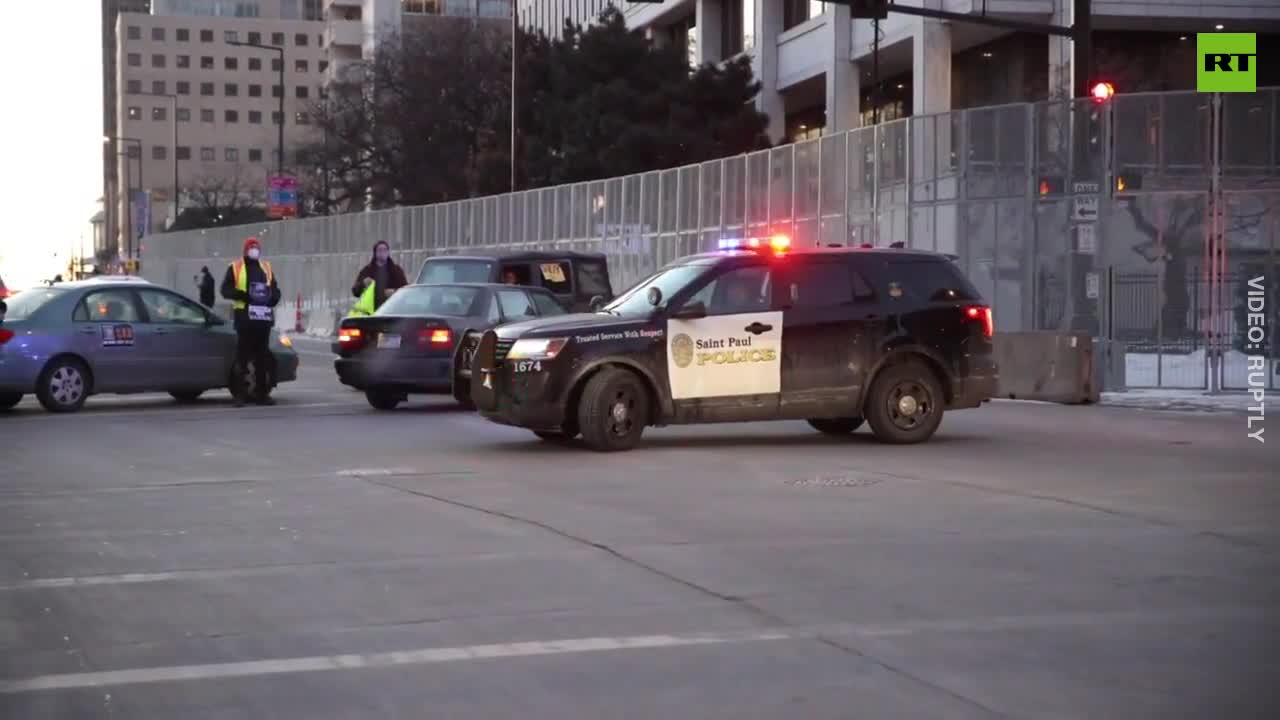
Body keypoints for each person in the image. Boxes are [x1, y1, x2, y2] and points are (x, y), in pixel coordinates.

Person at [220, 236, 281, 407]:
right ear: (245, 250)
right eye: (251, 247)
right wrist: (244, 295)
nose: (254, 250)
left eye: (256, 247)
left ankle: (262, 394)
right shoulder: (235, 267)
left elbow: (275, 289)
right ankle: (240, 395)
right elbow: (225, 290)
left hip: (262, 319)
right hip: (245, 318)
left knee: (262, 357)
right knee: (243, 357)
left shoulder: (266, 267)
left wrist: (272, 298)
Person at [350, 241, 408, 312]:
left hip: (392, 311)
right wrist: (363, 284)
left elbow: (406, 290)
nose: (383, 252)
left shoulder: (396, 270)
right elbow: (355, 292)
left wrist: (394, 292)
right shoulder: (367, 271)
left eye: (385, 250)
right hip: (372, 312)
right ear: (375, 253)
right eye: (380, 250)